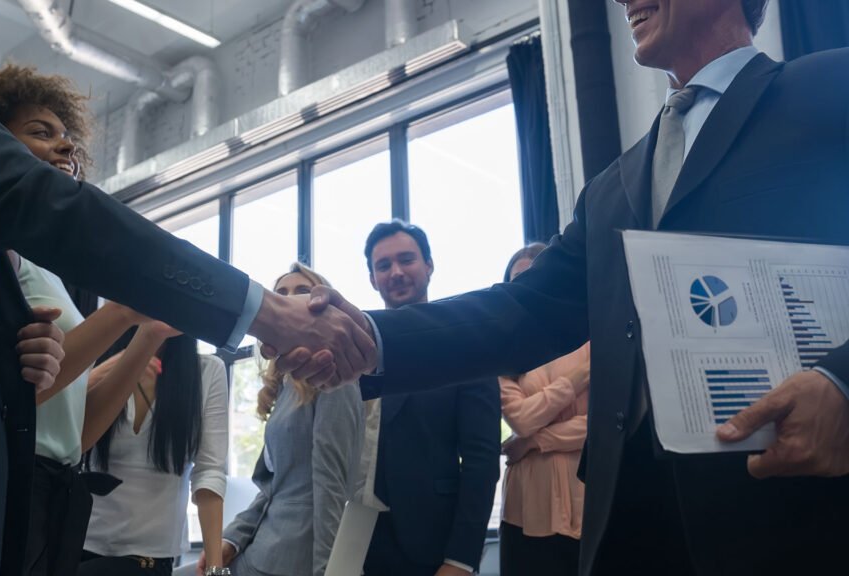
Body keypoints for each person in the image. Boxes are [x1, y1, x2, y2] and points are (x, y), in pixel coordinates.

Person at [280, 1, 849, 574]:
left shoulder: (828, 89)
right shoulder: (611, 188)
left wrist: (841, 382)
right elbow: (523, 311)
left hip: (799, 514)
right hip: (634, 528)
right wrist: (367, 334)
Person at [0, 2, 374, 573]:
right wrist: (260, 309)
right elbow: (30, 200)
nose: (65, 149)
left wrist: (26, 362)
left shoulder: (21, 268)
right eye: (40, 134)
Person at [0, 63, 183, 576]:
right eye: (40, 132)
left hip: (56, 490)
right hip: (3, 481)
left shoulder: (49, 272)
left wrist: (145, 331)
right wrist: (120, 312)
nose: (65, 147)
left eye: (68, 137)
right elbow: (9, 394)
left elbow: (75, 434)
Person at [360, 221, 500, 576]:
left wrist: (461, 559)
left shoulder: (466, 344)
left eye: (406, 260)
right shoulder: (357, 354)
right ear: (373, 279)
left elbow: (481, 460)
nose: (395, 272)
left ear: (429, 266)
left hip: (431, 544)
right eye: (383, 265)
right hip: (353, 540)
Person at [222, 264, 364, 576]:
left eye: (303, 291)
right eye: (281, 294)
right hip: (259, 552)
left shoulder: (333, 376)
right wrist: (232, 538)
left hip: (295, 560)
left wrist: (330, 571)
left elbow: (332, 484)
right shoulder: (286, 388)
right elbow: (273, 488)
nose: (290, 298)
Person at [79, 330, 227, 576]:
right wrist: (94, 378)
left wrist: (215, 569)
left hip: (150, 558)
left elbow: (209, 471)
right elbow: (63, 439)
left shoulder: (207, 371)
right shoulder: (97, 357)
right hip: (80, 544)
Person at [498, 245, 588, 576]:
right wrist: (579, 378)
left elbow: (604, 424)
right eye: (520, 279)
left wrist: (536, 441)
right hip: (525, 507)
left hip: (587, 499)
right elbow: (520, 420)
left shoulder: (593, 337)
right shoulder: (503, 352)